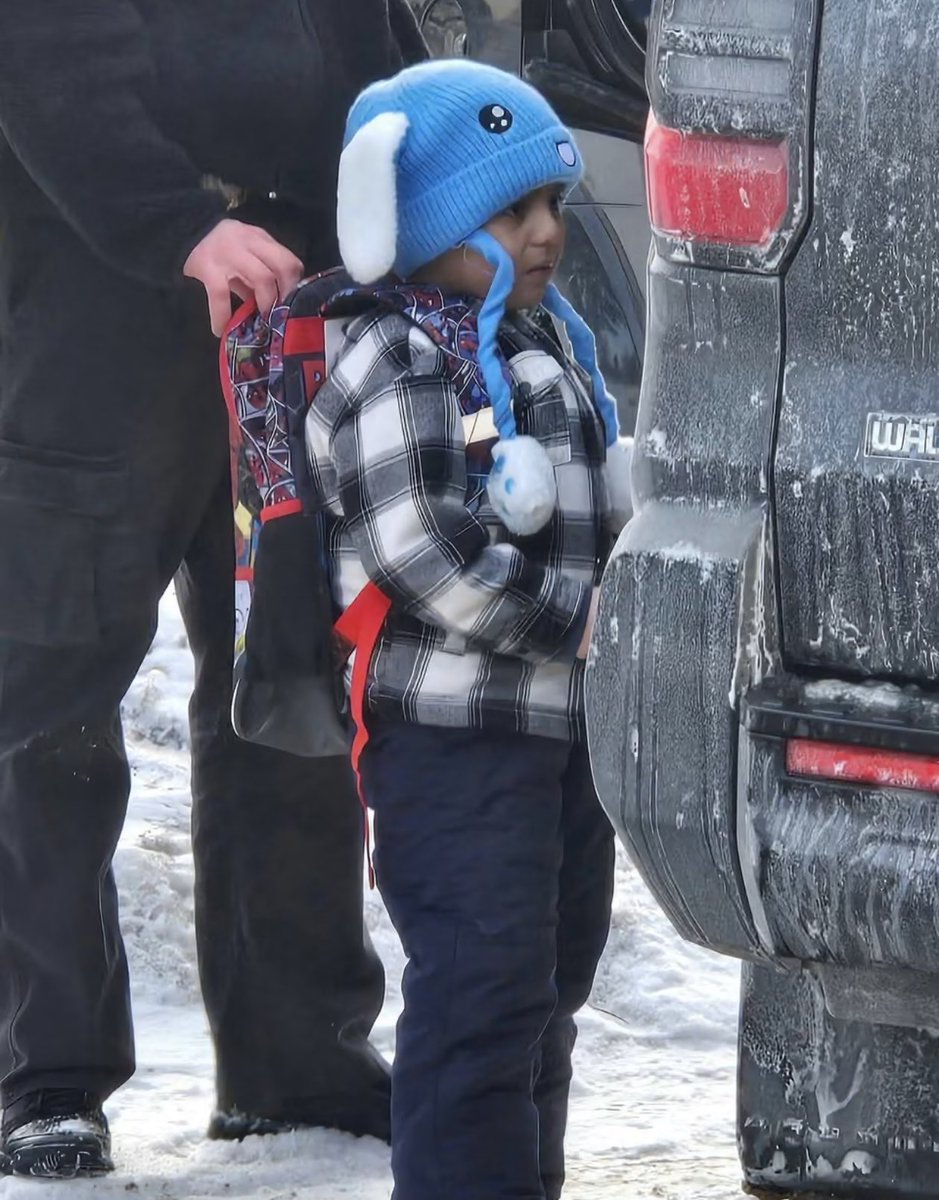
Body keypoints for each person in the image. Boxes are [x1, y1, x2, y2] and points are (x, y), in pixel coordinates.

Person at [0, 0, 426, 1179]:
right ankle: (46, 1075)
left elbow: (383, 72)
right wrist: (182, 226)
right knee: (50, 702)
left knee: (289, 681)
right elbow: (41, 56)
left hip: (293, 326)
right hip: (93, 329)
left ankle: (296, 1063)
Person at [305, 59, 634, 1200]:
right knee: (480, 1000)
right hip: (451, 743)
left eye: (551, 205)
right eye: (510, 211)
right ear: (422, 215)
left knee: (544, 997)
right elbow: (422, 552)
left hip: (557, 739)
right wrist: (572, 623)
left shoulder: (550, 343)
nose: (545, 232)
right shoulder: (396, 352)